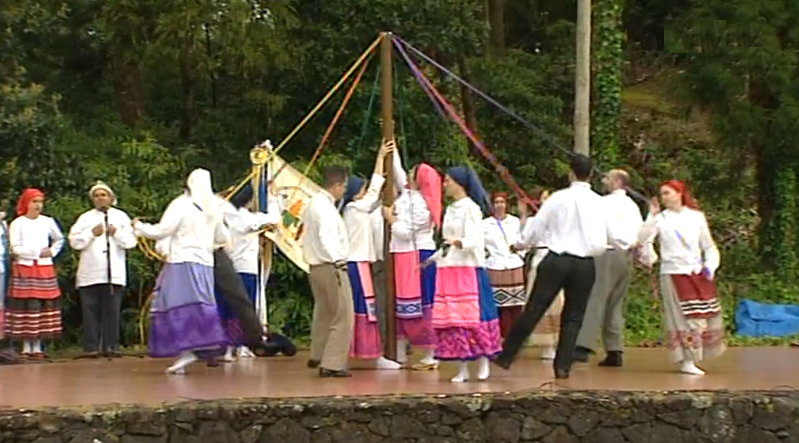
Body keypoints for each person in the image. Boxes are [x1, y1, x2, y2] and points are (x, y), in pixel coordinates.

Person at [494, 155, 635, 379]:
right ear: (591, 175)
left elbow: (537, 227)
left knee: (535, 307)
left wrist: (520, 244)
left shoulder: (557, 199)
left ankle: (506, 355)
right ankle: (562, 366)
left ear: (570, 173)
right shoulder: (600, 202)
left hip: (557, 260)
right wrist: (629, 244)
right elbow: (620, 237)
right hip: (585, 264)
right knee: (574, 316)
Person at [133, 169, 230, 374]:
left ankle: (188, 350)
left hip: (183, 262)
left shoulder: (182, 205)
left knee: (176, 304)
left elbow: (163, 230)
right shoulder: (214, 208)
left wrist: (140, 227)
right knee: (199, 303)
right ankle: (196, 347)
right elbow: (222, 237)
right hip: (205, 264)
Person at [637, 180, 724, 375]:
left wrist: (710, 266)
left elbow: (709, 246)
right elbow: (642, 239)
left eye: (667, 193)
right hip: (672, 273)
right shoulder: (660, 219)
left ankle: (698, 354)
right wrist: (651, 215)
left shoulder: (697, 217)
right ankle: (686, 359)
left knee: (700, 315)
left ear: (679, 193)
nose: (663, 197)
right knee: (681, 318)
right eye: (662, 194)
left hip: (696, 272)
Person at [425, 166, 501, 382]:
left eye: (448, 180)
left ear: (459, 183)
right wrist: (431, 259)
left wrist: (459, 242)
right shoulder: (450, 209)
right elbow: (446, 242)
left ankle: (484, 360)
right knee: (454, 319)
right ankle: (463, 366)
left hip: (468, 268)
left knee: (474, 317)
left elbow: (474, 239)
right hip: (449, 268)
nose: (445, 184)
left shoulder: (471, 209)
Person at [574, 170, 644, 366]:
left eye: (607, 177)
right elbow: (640, 232)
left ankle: (583, 347)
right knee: (614, 303)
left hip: (607, 254)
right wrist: (644, 255)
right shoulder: (632, 206)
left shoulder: (604, 203)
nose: (603, 180)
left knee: (595, 298)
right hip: (626, 256)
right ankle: (615, 349)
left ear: (617, 182)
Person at [340, 141, 401, 369]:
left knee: (365, 309)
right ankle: (362, 355)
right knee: (362, 310)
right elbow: (375, 191)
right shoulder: (354, 209)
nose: (366, 193)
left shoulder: (355, 209)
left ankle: (370, 354)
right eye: (362, 190)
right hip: (356, 265)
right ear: (356, 194)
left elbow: (376, 197)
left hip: (360, 264)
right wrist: (380, 156)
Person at [383, 148, 442, 370]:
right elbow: (397, 171)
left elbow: (406, 233)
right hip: (402, 254)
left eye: (412, 172)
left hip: (417, 255)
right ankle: (401, 349)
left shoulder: (422, 204)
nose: (407, 174)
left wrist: (390, 219)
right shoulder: (409, 194)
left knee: (420, 303)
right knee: (402, 302)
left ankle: (429, 351)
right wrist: (392, 145)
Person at [69, 181, 137, 357]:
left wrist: (117, 234)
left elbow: (131, 242)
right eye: (97, 196)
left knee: (112, 310)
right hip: (90, 273)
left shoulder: (121, 217)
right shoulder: (85, 218)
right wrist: (91, 233)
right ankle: (91, 347)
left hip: (114, 273)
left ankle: (111, 346)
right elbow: (74, 242)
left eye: (103, 195)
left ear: (110, 197)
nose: (100, 198)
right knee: (90, 310)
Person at [216, 184, 280, 361]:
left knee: (230, 308)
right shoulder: (245, 218)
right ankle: (236, 346)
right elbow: (274, 219)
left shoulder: (225, 213)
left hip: (232, 268)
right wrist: (273, 199)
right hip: (245, 269)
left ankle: (231, 346)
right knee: (242, 310)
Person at [302, 165, 354, 377]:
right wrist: (338, 259)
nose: (344, 191)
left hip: (316, 266)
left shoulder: (314, 203)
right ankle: (332, 362)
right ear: (337, 185)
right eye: (344, 187)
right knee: (343, 314)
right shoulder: (325, 208)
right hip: (330, 265)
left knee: (324, 312)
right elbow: (327, 235)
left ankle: (318, 353)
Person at [6, 188, 64, 358]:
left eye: (40, 202)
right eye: (34, 201)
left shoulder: (48, 221)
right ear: (26, 203)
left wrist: (52, 252)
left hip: (44, 267)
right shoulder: (18, 223)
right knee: (25, 305)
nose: (38, 205)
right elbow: (14, 247)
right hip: (24, 267)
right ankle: (25, 345)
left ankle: (38, 345)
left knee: (42, 305)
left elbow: (59, 239)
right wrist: (35, 252)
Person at [517, 187, 563, 360]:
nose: (547, 200)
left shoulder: (558, 219)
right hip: (540, 262)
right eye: (544, 197)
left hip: (556, 261)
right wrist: (523, 217)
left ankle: (559, 342)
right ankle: (547, 345)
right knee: (541, 304)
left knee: (557, 304)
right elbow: (523, 240)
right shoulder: (533, 221)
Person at [483, 192, 525, 339]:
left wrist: (520, 253)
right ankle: (499, 335)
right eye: (496, 202)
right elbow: (480, 244)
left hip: (514, 264)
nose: (499, 205)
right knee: (499, 305)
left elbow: (523, 239)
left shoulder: (514, 222)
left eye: (502, 202)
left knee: (515, 304)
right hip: (495, 266)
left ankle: (516, 337)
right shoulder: (486, 224)